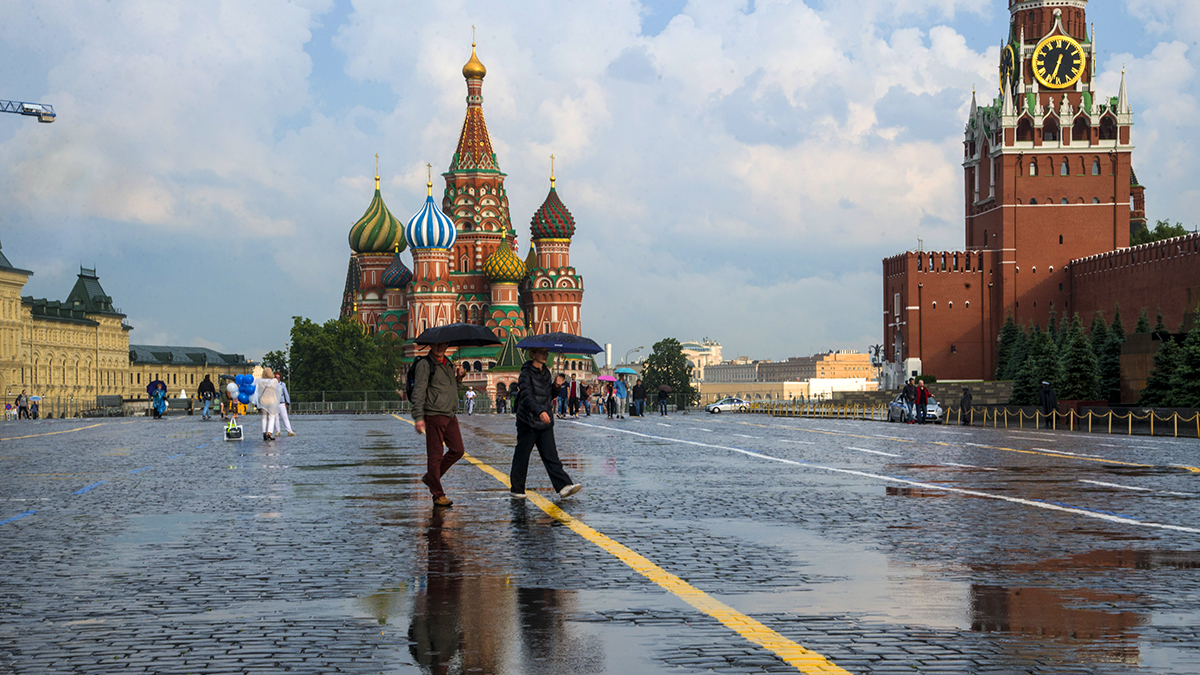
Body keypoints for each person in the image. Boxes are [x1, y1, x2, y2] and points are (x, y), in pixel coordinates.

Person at [510, 347, 582, 500]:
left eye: (546, 352)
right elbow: (527, 396)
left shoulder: (546, 372)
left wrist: (556, 386)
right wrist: (539, 411)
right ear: (533, 353)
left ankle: (563, 486)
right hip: (528, 421)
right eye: (542, 352)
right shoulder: (525, 373)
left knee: (551, 456)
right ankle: (517, 489)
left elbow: (547, 395)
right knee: (522, 456)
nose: (545, 355)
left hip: (545, 421)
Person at [412, 342, 467, 507]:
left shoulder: (448, 364)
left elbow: (453, 388)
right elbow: (419, 391)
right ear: (431, 344)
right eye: (436, 344)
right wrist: (419, 417)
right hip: (434, 414)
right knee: (435, 456)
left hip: (449, 414)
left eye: (442, 344)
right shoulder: (425, 364)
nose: (439, 347)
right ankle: (437, 495)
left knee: (458, 450)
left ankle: (431, 478)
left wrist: (459, 378)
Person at [256, 368, 281, 441]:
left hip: (263, 400)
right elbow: (278, 390)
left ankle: (264, 433)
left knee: (264, 417)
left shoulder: (259, 380)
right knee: (271, 417)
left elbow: (257, 390)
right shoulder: (274, 381)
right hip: (271, 401)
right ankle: (269, 433)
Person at [275, 372, 296, 436]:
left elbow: (286, 393)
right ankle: (278, 431)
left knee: (285, 417)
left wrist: (288, 402)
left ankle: (289, 431)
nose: (277, 379)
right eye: (276, 377)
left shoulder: (282, 384)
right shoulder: (272, 384)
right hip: (274, 403)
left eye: (278, 377)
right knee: (276, 418)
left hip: (281, 402)